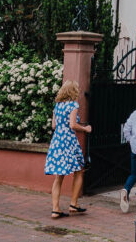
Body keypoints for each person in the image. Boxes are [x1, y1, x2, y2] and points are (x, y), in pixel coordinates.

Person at [45, 80, 92, 219]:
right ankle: (73, 204)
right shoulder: (73, 105)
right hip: (68, 141)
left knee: (58, 177)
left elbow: (54, 126)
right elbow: (72, 125)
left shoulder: (57, 106)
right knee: (79, 171)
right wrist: (85, 128)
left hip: (57, 141)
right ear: (73, 91)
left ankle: (55, 209)